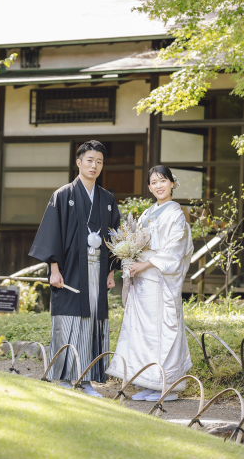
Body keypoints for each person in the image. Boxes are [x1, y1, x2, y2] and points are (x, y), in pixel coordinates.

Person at [29, 140, 121, 397]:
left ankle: (89, 380)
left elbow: (116, 238)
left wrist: (111, 272)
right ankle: (69, 378)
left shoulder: (108, 199)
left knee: (93, 320)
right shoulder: (63, 195)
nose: (94, 165)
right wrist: (54, 269)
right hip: (70, 269)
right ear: (78, 162)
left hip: (98, 268)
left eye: (99, 161)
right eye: (89, 160)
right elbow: (52, 234)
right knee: (70, 319)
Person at [106, 165, 193, 402]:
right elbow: (137, 242)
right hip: (143, 282)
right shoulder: (147, 213)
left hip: (159, 280)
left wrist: (144, 264)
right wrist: (130, 258)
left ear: (172, 184)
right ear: (149, 187)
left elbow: (174, 251)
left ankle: (168, 385)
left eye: (163, 181)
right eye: (153, 182)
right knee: (143, 332)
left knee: (162, 331)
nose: (158, 186)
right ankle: (150, 382)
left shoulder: (176, 214)